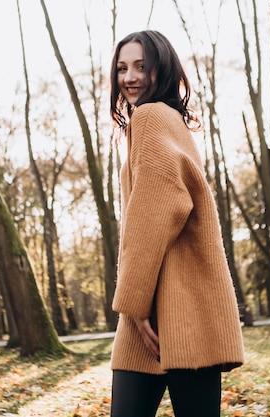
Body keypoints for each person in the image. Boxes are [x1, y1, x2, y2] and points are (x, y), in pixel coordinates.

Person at [109, 30, 245, 417]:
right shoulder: (173, 122)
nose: (129, 77)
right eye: (122, 68)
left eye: (140, 66)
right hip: (187, 309)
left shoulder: (150, 117)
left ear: (161, 69)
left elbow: (152, 214)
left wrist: (134, 305)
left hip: (157, 311)